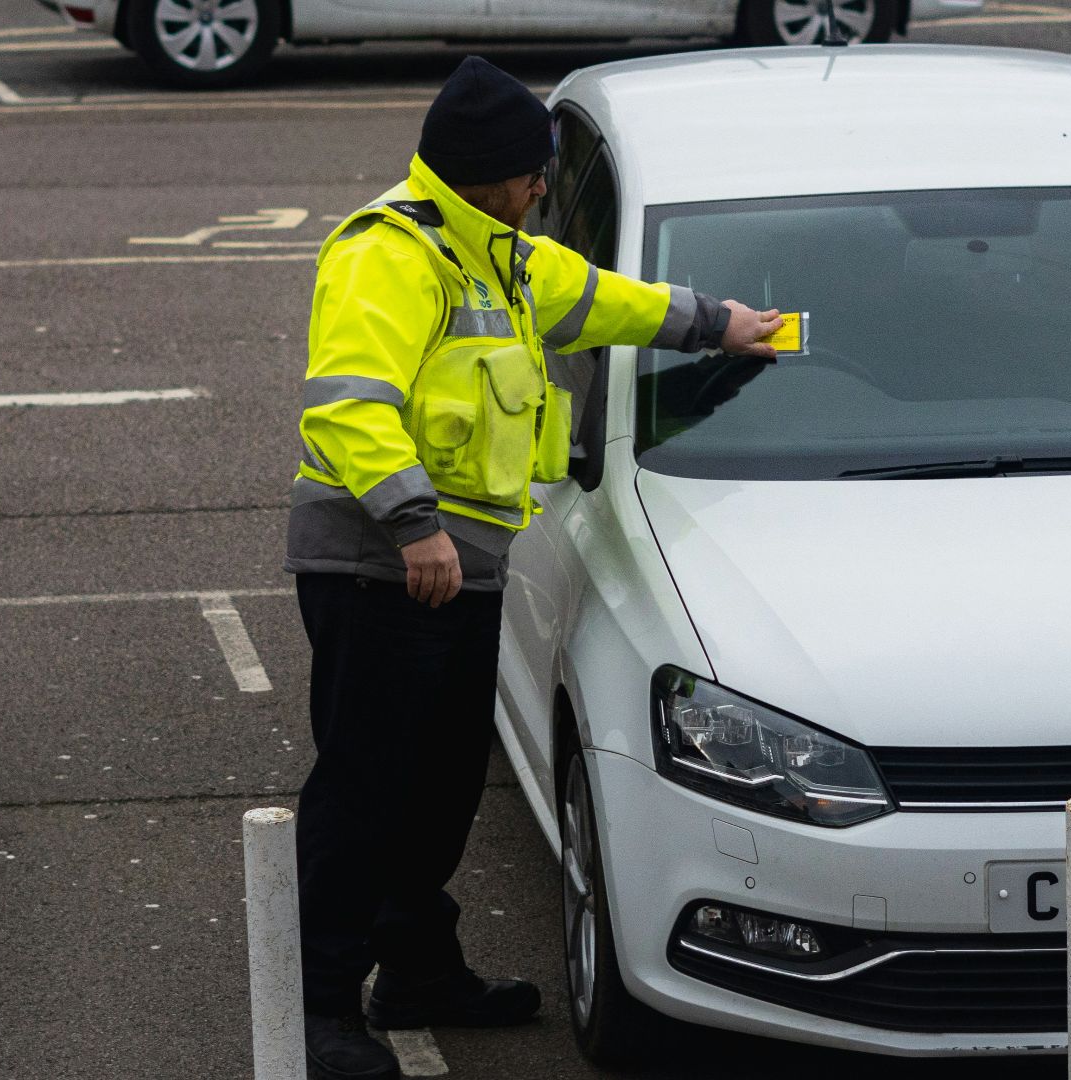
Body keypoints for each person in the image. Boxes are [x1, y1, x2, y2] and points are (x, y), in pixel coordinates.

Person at [284, 55, 782, 1080]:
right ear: (483, 177)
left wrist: (722, 324)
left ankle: (418, 971)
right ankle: (328, 1011)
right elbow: (347, 404)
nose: (544, 189)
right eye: (531, 174)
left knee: (439, 791)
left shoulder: (501, 251)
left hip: (458, 568)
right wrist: (412, 523)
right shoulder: (391, 254)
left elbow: (605, 299)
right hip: (382, 568)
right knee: (365, 792)